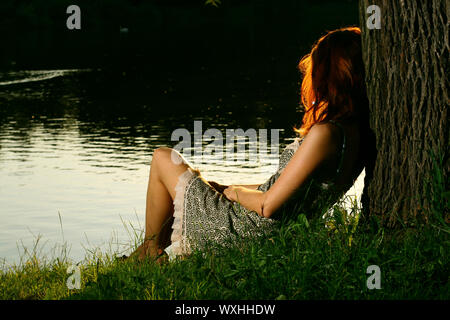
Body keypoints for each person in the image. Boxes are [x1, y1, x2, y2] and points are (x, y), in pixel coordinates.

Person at [132, 26, 370, 261]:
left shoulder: (325, 133)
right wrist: (226, 188)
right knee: (185, 177)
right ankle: (146, 253)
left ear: (327, 75)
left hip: (245, 232)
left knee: (163, 157)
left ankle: (149, 254)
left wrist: (235, 192)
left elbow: (268, 206)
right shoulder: (358, 133)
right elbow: (288, 188)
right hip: (271, 231)